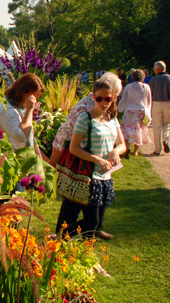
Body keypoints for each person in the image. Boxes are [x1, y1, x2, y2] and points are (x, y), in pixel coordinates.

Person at [55, 79, 126, 240]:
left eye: (107, 99)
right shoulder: (85, 119)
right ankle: (61, 237)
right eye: (99, 98)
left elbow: (122, 144)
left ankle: (77, 248)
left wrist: (116, 151)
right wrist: (97, 159)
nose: (103, 102)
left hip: (105, 178)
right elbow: (74, 148)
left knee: (93, 224)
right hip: (87, 176)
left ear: (113, 98)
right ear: (93, 97)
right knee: (91, 221)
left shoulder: (112, 119)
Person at [50, 72, 123, 168]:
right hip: (67, 143)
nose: (115, 99)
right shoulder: (85, 110)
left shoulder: (105, 110)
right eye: (114, 95)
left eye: (111, 97)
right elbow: (75, 140)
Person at [0, 73, 50, 162]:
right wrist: (30, 109)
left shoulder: (18, 108)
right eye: (32, 97)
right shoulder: (7, 109)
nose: (34, 101)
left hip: (15, 160)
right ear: (23, 92)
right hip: (5, 163)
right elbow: (21, 136)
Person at [148, 61, 170, 155]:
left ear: (158, 69)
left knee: (156, 126)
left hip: (156, 103)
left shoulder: (153, 80)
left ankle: (157, 149)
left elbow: (150, 94)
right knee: (166, 124)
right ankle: (166, 140)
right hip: (168, 103)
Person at [118, 69, 152, 157]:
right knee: (139, 130)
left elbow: (124, 99)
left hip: (130, 110)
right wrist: (148, 113)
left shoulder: (128, 87)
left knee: (127, 129)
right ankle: (135, 151)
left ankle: (128, 147)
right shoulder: (146, 87)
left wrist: (119, 109)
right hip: (141, 111)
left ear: (133, 77)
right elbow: (148, 101)